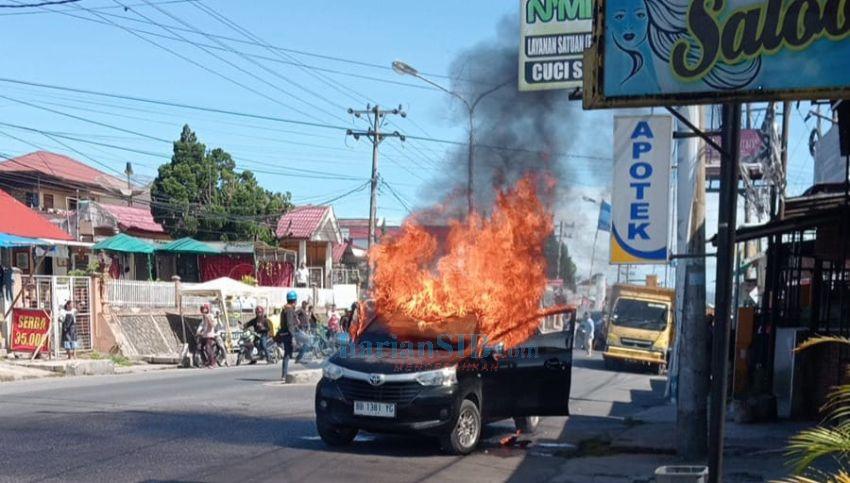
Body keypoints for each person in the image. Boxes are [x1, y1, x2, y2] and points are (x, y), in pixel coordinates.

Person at [277, 291, 297, 382]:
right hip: (288, 334)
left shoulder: (285, 309)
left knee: (288, 353)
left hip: (284, 333)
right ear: (294, 300)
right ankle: (284, 375)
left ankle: (284, 374)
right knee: (287, 354)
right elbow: (289, 324)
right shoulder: (289, 310)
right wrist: (293, 336)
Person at [200, 304, 218, 368]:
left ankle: (213, 363)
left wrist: (208, 318)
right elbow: (203, 325)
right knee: (200, 348)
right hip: (204, 335)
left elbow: (213, 325)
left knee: (208, 348)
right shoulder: (204, 316)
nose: (203, 310)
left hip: (209, 335)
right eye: (202, 309)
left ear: (208, 309)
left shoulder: (210, 315)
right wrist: (201, 331)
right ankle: (206, 361)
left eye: (205, 308)